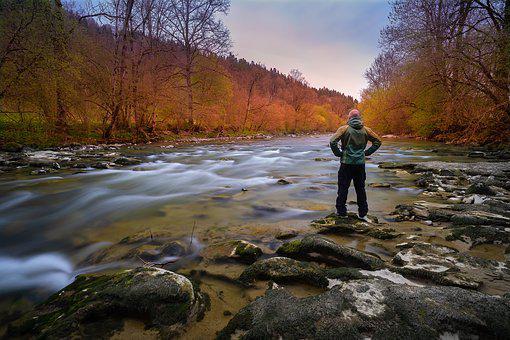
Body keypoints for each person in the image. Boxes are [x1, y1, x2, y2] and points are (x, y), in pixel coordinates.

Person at [329, 109, 381, 221]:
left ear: (349, 118)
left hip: (346, 163)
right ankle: (362, 214)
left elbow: (332, 141)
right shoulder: (366, 130)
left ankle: (341, 212)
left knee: (343, 188)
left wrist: (338, 153)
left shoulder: (344, 129)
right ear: (359, 117)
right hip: (360, 164)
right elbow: (378, 142)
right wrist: (366, 153)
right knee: (360, 189)